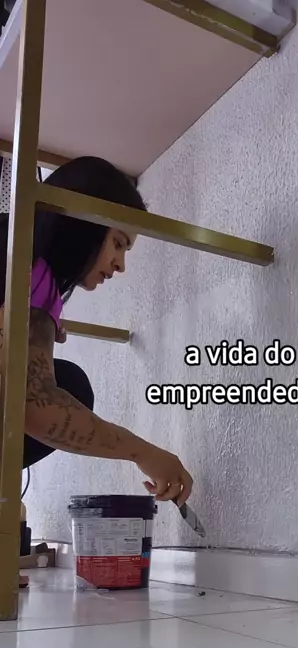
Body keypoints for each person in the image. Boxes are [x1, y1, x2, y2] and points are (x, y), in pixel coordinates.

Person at [0, 156, 193, 586]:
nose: (120, 264)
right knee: (69, 386)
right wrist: (144, 452)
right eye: (118, 243)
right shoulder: (29, 266)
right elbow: (34, 406)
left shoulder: (21, 257)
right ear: (83, 222)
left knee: (65, 380)